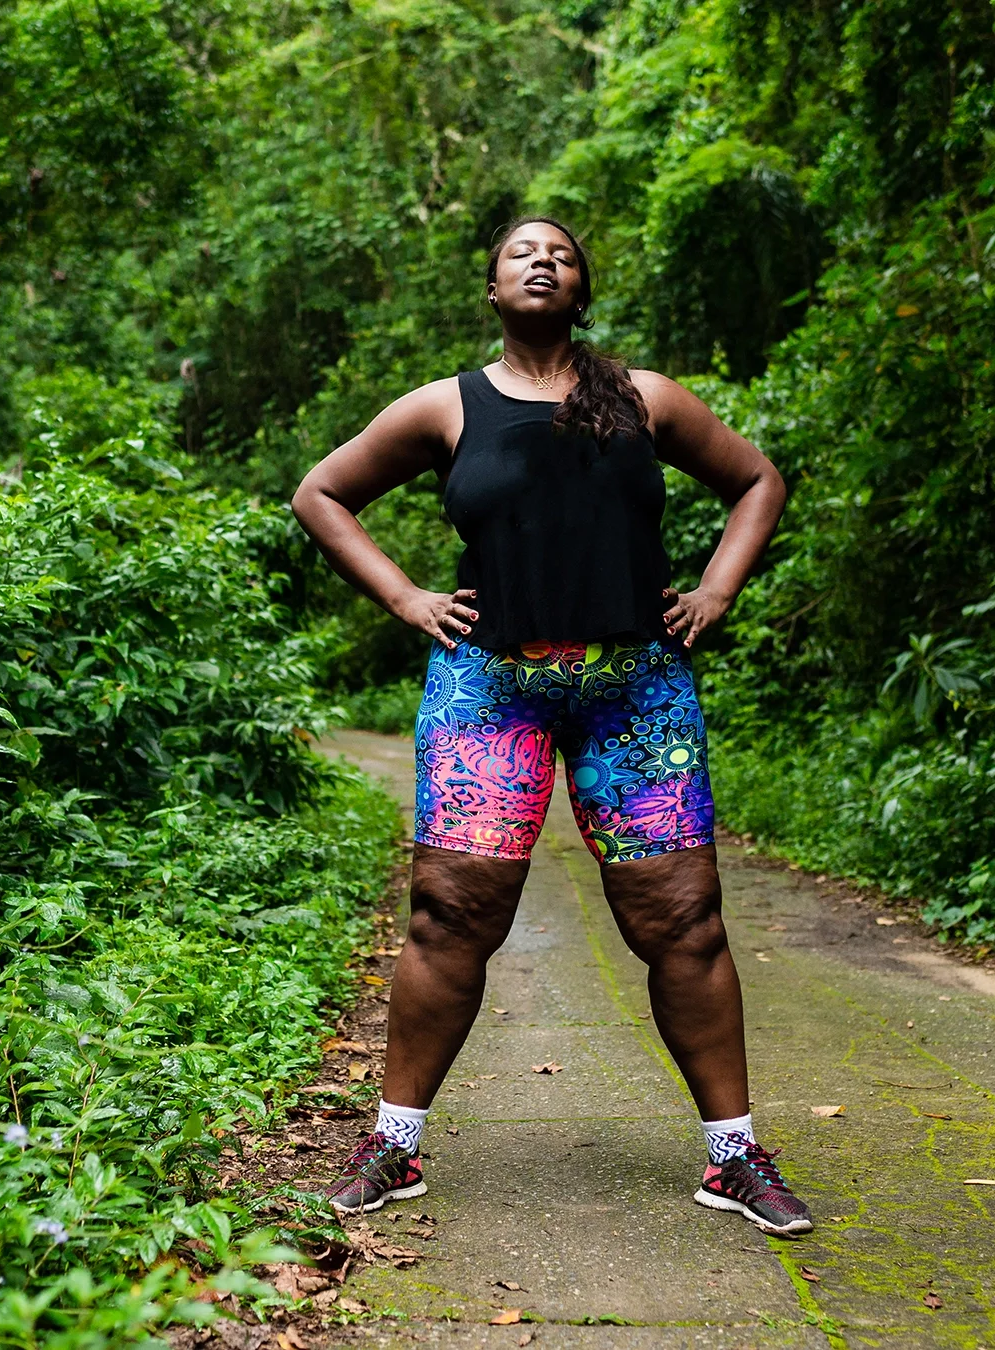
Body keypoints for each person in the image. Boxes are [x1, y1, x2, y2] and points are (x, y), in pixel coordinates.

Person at [288, 216, 805, 1235]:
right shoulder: (448, 407)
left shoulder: (644, 397)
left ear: (581, 289)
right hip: (490, 687)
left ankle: (734, 1158)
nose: (542, 261)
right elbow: (323, 494)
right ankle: (392, 1148)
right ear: (490, 288)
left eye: (562, 255)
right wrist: (406, 599)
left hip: (637, 689)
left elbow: (758, 481)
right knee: (450, 914)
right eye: (522, 252)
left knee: (684, 921)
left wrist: (715, 593)